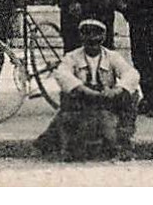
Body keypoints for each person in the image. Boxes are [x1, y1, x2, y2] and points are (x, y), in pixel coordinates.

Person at [35, 18, 141, 162]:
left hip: (106, 99)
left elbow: (131, 74)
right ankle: (70, 143)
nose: (92, 41)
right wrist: (82, 89)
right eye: (88, 37)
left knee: (131, 95)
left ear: (103, 38)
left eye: (97, 38)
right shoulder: (72, 57)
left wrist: (116, 90)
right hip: (83, 100)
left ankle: (122, 140)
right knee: (67, 100)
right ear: (81, 38)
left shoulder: (112, 56)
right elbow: (62, 74)